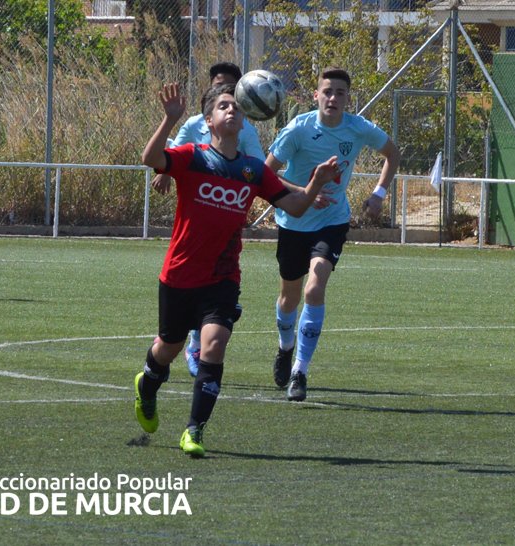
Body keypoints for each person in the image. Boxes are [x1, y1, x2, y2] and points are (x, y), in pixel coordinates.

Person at [136, 82, 339, 457]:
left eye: (237, 108)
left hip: (222, 278)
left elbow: (294, 207)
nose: (232, 111)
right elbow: (152, 158)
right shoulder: (193, 157)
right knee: (168, 347)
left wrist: (314, 184)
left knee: (213, 346)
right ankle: (147, 385)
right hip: (180, 274)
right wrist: (169, 120)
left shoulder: (251, 171)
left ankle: (194, 431)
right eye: (224, 107)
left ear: (245, 121)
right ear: (210, 120)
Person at [265, 67, 400, 402]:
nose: (333, 98)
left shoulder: (358, 128)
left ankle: (300, 371)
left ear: (347, 98)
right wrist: (307, 190)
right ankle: (285, 348)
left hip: (333, 221)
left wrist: (379, 194)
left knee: (316, 284)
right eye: (327, 91)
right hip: (294, 221)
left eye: (340, 93)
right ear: (316, 96)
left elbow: (393, 153)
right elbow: (265, 175)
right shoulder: (299, 128)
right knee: (289, 298)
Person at [152, 62, 267, 379]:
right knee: (168, 339)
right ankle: (167, 357)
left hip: (227, 219)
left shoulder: (245, 127)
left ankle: (202, 338)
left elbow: (259, 168)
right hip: (196, 208)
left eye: (233, 89)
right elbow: (170, 152)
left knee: (216, 295)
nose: (227, 95)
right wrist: (163, 173)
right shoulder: (194, 125)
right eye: (220, 88)